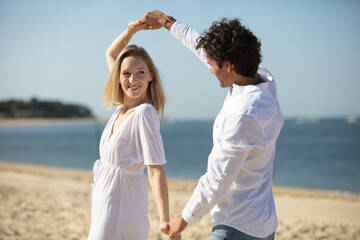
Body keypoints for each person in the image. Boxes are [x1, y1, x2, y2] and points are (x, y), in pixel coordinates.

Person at [140, 10, 284, 240]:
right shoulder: (262, 79)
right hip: (263, 225)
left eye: (212, 64)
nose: (209, 69)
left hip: (236, 226)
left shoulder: (244, 114)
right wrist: (167, 23)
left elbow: (218, 179)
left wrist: (184, 218)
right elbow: (203, 48)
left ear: (228, 65)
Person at [87, 20, 171, 240]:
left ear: (151, 76)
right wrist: (132, 30)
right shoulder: (120, 108)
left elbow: (155, 168)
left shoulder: (144, 113)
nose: (133, 80)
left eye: (140, 72)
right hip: (104, 204)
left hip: (120, 210)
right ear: (118, 77)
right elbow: (110, 53)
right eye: (126, 73)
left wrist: (164, 218)